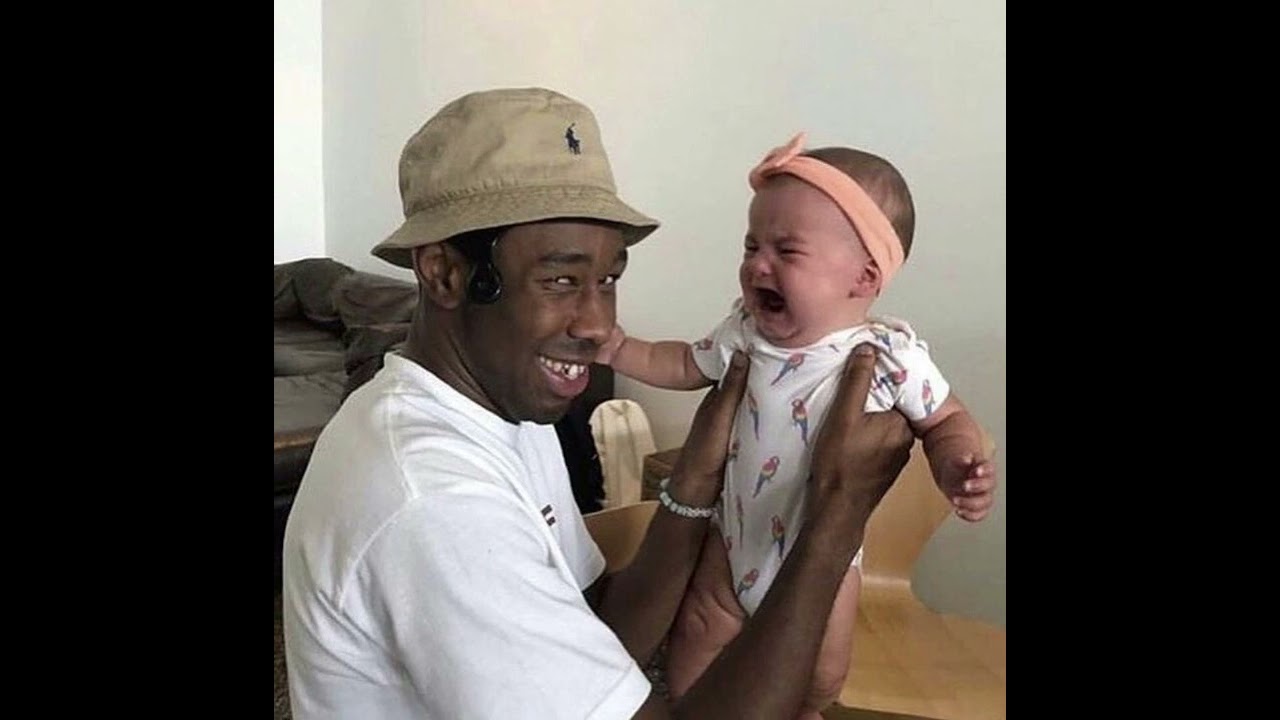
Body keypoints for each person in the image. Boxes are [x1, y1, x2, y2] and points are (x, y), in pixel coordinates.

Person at [281, 87, 917, 719]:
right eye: (560, 279)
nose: (597, 325)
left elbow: (600, 623)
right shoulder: (431, 500)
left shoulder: (505, 408)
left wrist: (695, 478)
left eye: (607, 279)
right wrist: (836, 518)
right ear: (444, 272)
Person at [595, 132, 998, 716]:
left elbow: (946, 418)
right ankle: (691, 703)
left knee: (820, 673)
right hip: (734, 541)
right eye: (751, 245)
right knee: (699, 633)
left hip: (821, 558)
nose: (757, 264)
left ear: (863, 279)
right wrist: (620, 349)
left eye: (787, 251)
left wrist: (957, 464)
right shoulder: (744, 334)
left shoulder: (887, 356)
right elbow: (681, 363)